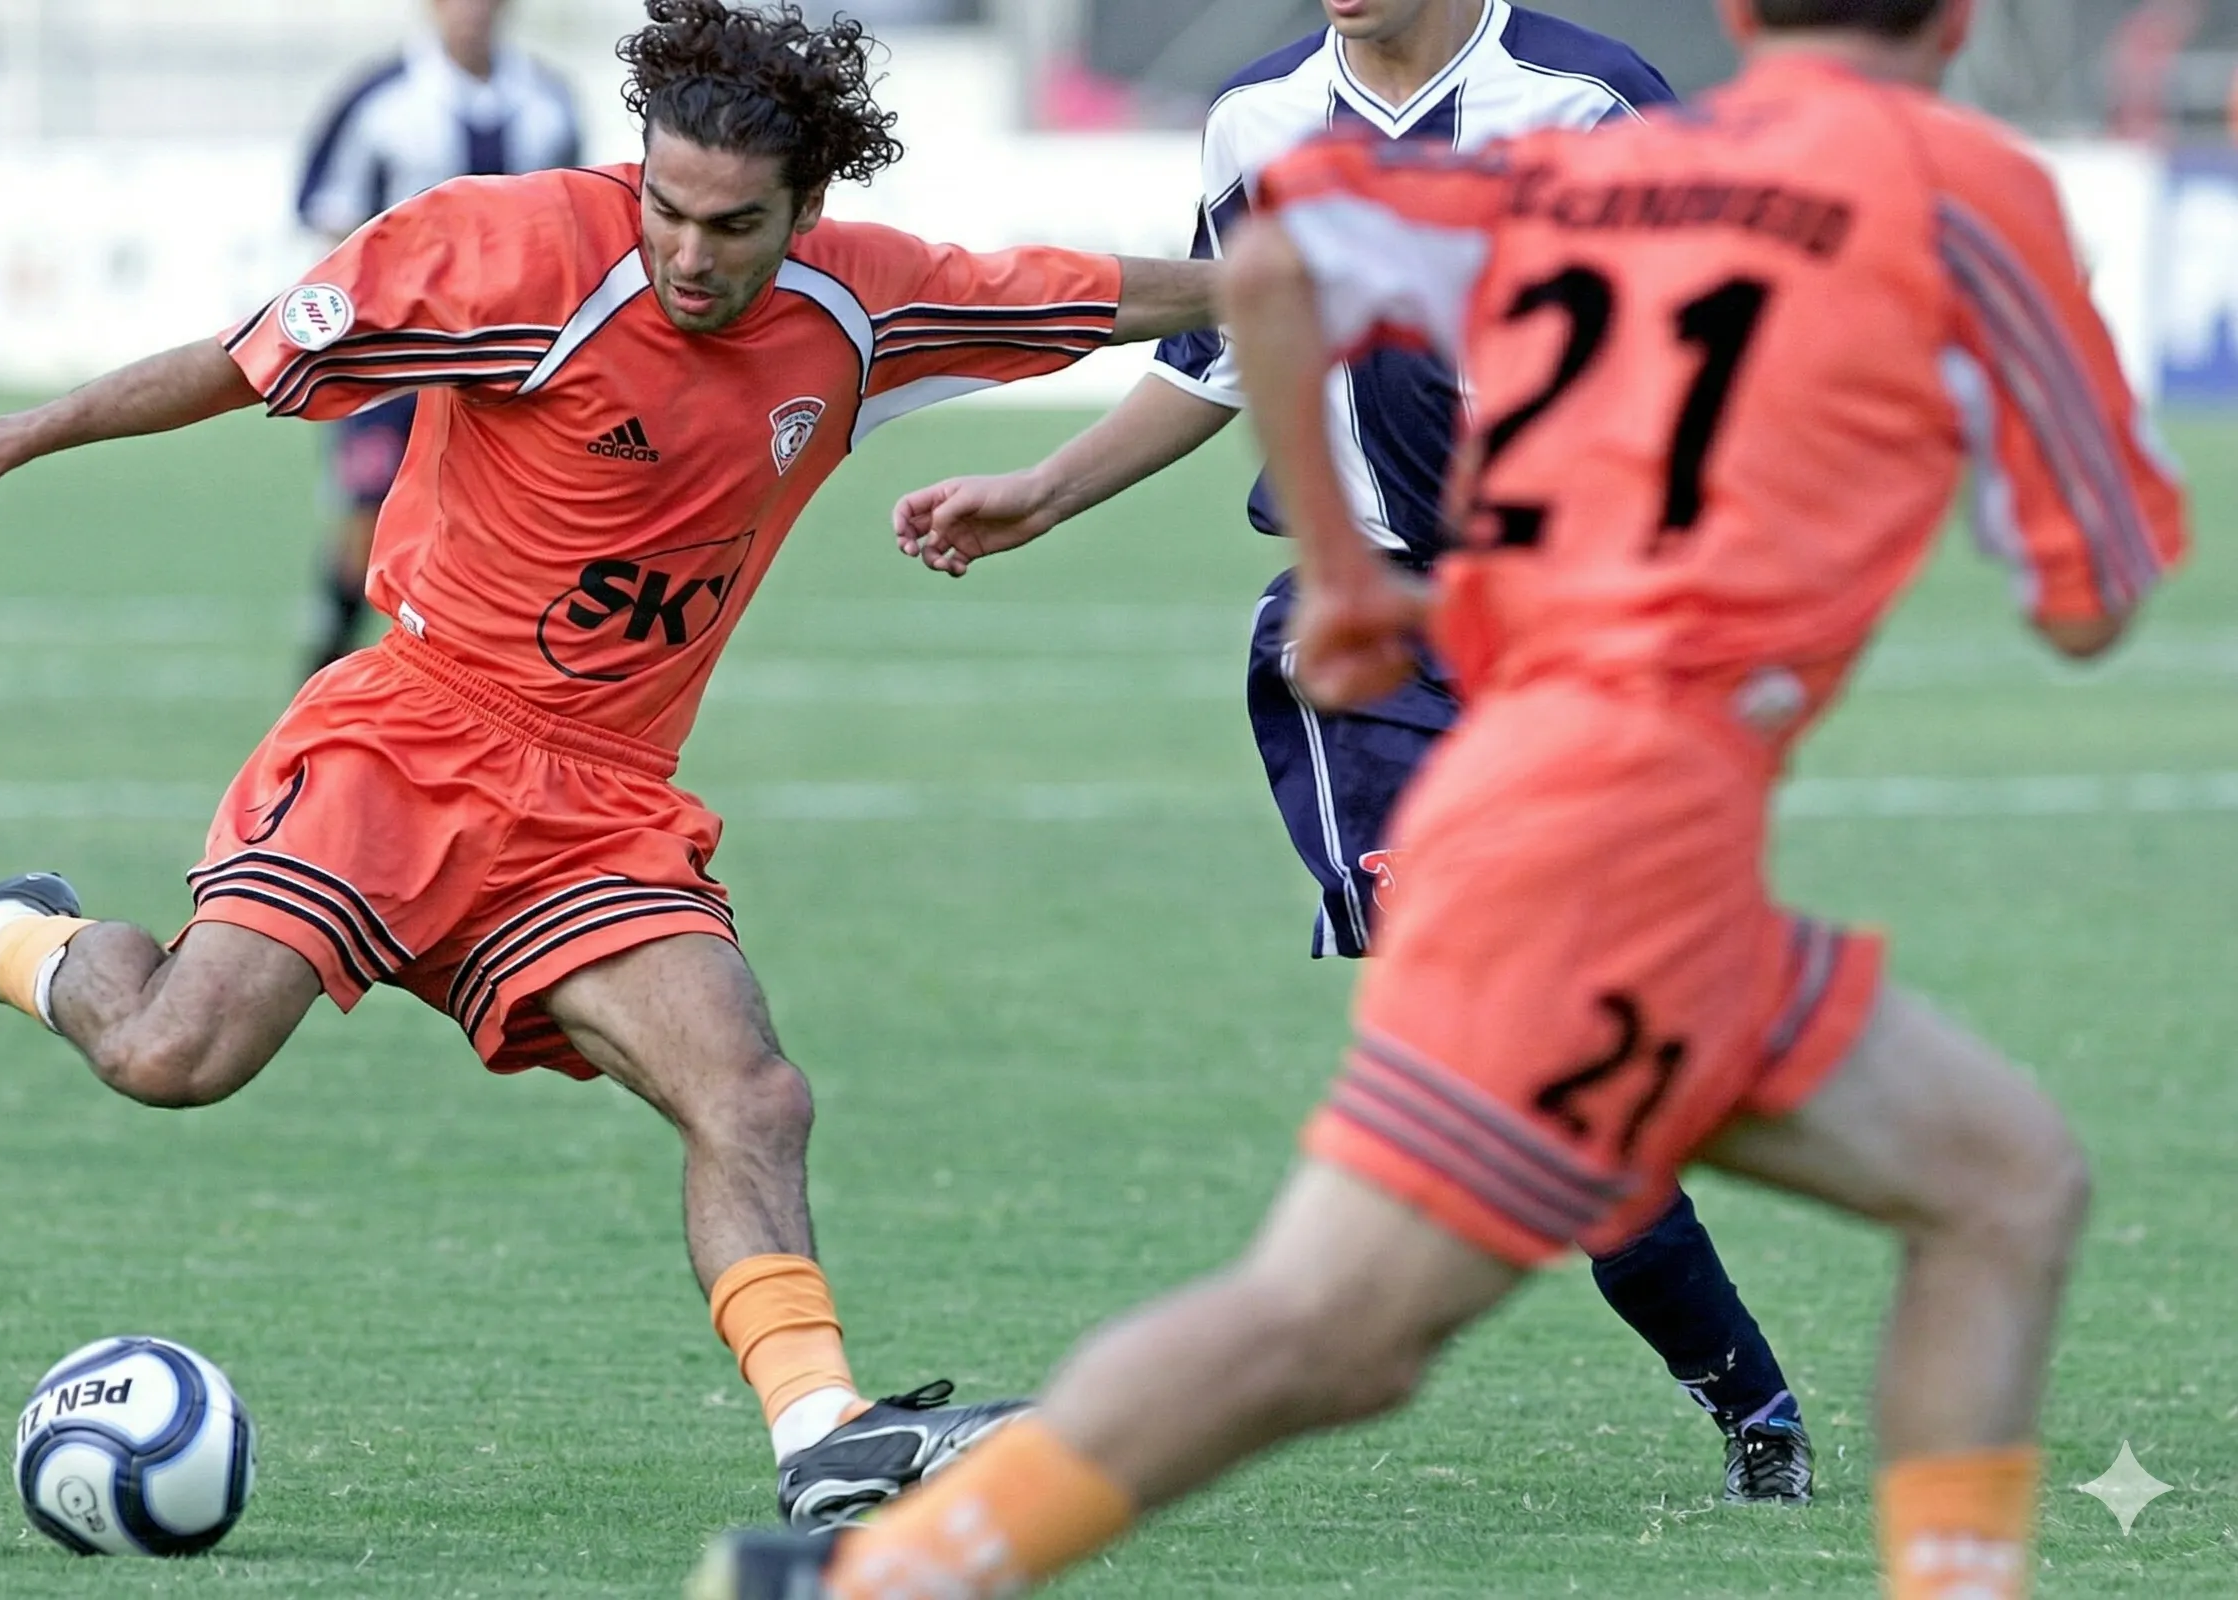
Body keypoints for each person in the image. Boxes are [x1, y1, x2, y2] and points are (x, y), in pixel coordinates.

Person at [695, 0, 2188, 1594]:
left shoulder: (1612, 158)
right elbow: (2088, 593)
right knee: (1346, 1321)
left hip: (1585, 810)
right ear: (1959, 18)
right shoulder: (1966, 186)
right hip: (1601, 819)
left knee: (1988, 1184)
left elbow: (1277, 273)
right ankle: (875, 1580)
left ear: (1746, 14)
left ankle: (873, 1579)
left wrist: (1335, 583)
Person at [0, 0, 1215, 1531]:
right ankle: (2, 936)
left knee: (751, 1094)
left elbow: (1120, 294)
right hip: (407, 739)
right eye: (665, 207)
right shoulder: (513, 256)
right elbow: (244, 358)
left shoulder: (872, 304)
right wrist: (2, 443)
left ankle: (825, 1432)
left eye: (732, 226)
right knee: (172, 1057)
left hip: (602, 803)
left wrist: (1310, 268)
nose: (689, 253)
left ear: (809, 210)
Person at [890, 0, 1813, 1501]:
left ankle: (1747, 1400)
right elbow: (1224, 345)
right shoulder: (1262, 116)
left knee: (1558, 1078)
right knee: (1521, 1058)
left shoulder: (1587, 103)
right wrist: (1046, 490)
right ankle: (1748, 1406)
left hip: (1574, 662)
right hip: (1366, 669)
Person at [296, 0, 586, 678]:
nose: (471, 11)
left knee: (511, 528)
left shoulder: (549, 103)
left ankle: (496, 686)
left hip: (512, 362)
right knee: (366, 522)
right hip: (393, 359)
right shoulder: (377, 101)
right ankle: (323, 670)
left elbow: (575, 221)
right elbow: (330, 219)